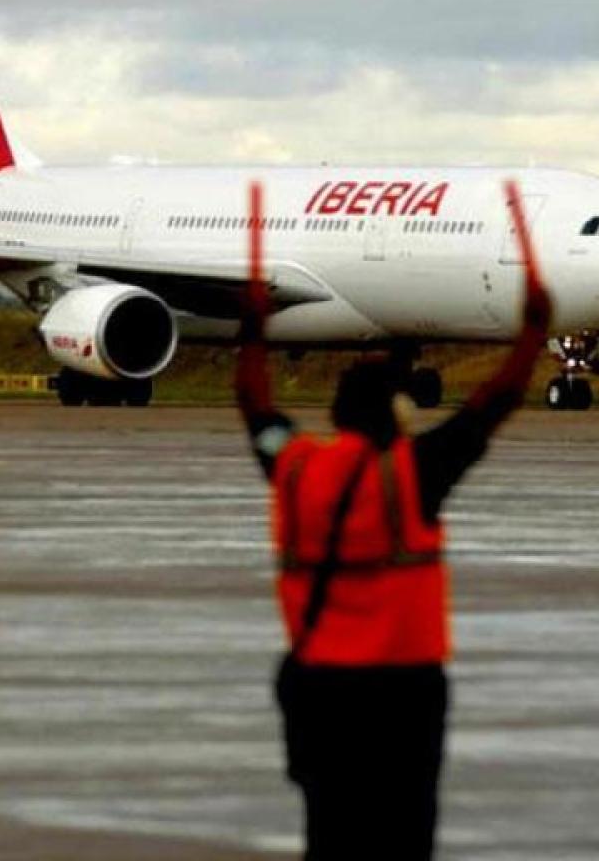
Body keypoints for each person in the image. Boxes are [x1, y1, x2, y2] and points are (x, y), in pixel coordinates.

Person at [236, 184, 552, 860]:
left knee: (330, 833)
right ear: (399, 414)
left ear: (337, 414)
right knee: (405, 835)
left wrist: (253, 332)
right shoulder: (415, 473)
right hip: (403, 693)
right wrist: (532, 335)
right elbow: (491, 406)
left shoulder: (291, 468)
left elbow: (254, 405)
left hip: (320, 688)